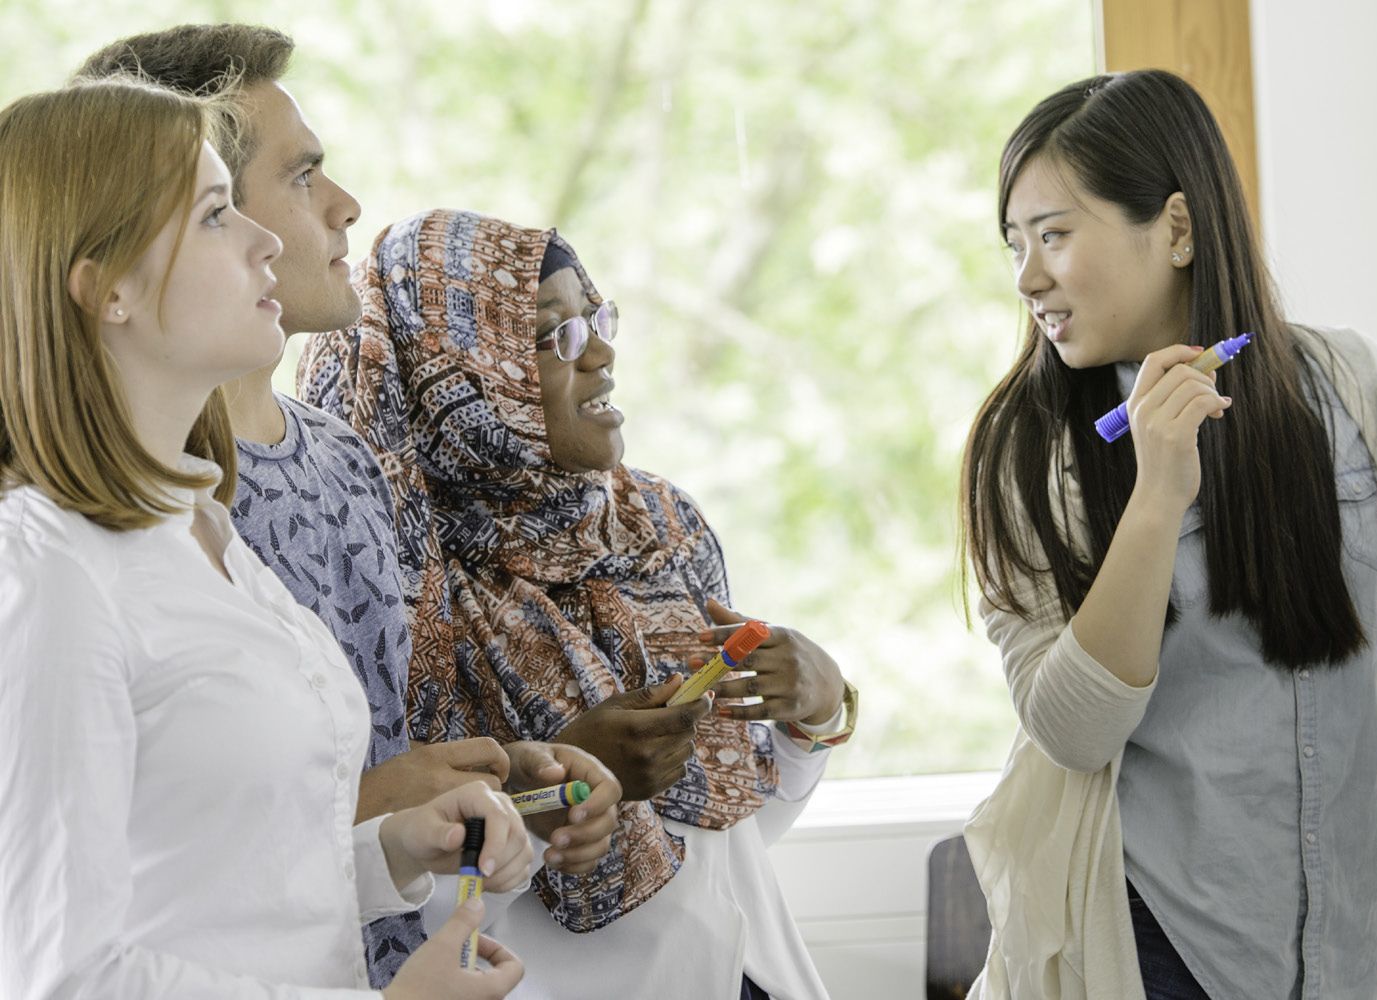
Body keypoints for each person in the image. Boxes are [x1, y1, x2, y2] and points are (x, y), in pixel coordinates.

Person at [73, 26, 623, 986]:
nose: (341, 208)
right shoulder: (74, 535)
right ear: (127, 262)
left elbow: (353, 765)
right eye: (296, 178)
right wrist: (371, 806)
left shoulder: (336, 464)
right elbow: (106, 902)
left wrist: (486, 794)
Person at [0, 76, 531, 999]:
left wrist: (394, 848)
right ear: (106, 289)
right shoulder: (48, 574)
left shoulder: (201, 526)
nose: (267, 241)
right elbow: (59, 974)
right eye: (214, 215)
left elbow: (209, 886)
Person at [959, 70, 1377, 1000]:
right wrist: (1157, 496)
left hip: (1347, 936)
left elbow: (1328, 636)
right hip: (1160, 945)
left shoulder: (1337, 376)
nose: (1028, 276)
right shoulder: (1028, 452)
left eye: (1055, 236)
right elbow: (1070, 729)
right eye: (1017, 244)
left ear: (1180, 230)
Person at [299, 208, 859, 999]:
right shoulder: (392, 592)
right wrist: (550, 794)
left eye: (597, 316)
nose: (601, 353)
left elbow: (736, 836)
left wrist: (816, 717)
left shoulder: (657, 528)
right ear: (460, 385)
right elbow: (386, 912)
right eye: (548, 334)